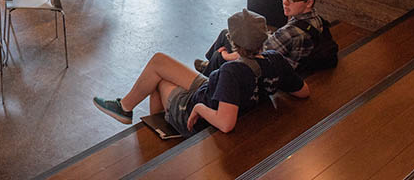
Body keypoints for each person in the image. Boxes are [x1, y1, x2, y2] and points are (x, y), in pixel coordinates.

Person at [93, 10, 308, 137]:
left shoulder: (231, 71)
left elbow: (226, 123)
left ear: (232, 41)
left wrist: (198, 107)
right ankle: (126, 108)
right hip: (214, 90)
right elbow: (303, 92)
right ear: (264, 38)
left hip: (195, 111)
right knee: (159, 60)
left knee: (158, 82)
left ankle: (161, 135)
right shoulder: (275, 59)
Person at [195, 0, 324, 75]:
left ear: (308, 3)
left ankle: (210, 72)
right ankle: (209, 65)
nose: (285, 2)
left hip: (272, 71)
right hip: (292, 63)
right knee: (226, 37)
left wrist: (226, 56)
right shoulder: (316, 19)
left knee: (224, 40)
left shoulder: (289, 32)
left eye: (292, 0)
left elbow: (253, 52)